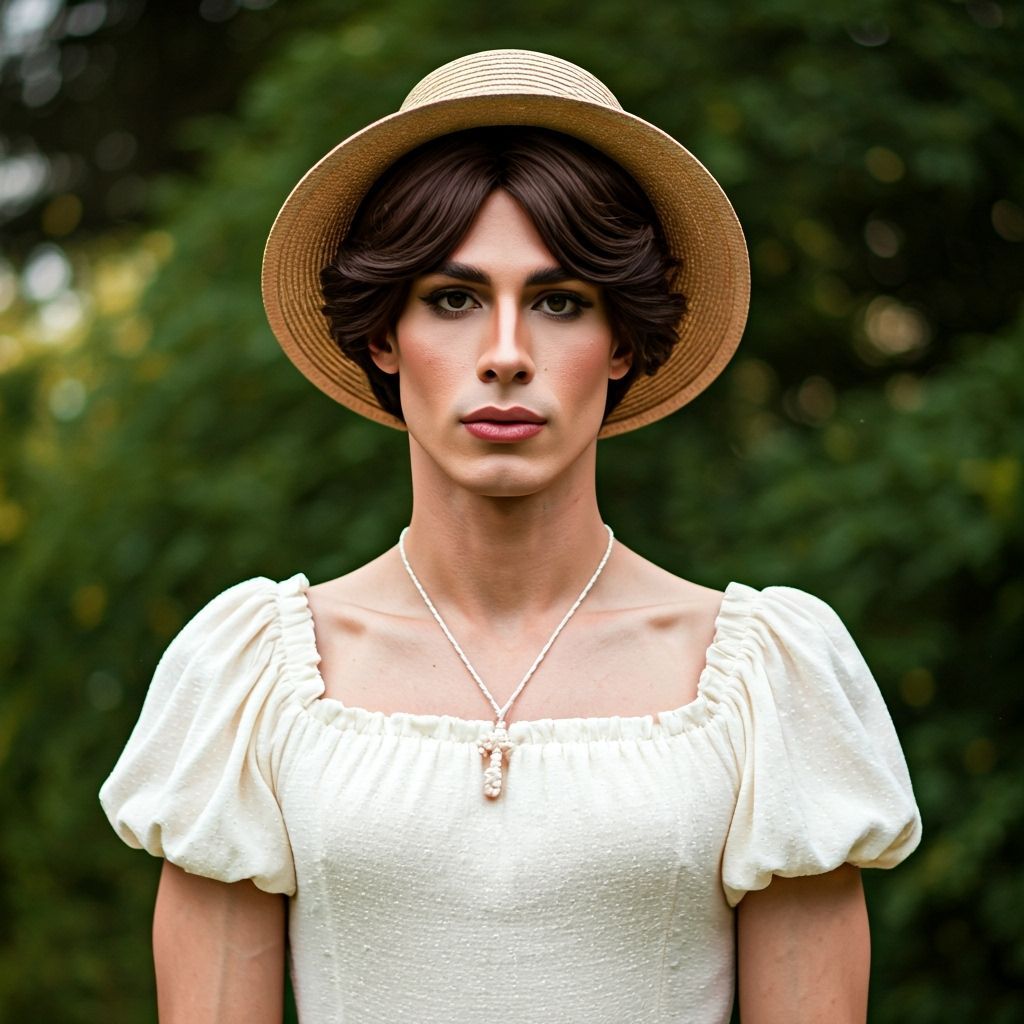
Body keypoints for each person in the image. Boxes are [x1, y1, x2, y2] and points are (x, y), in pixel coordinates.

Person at [99, 49, 921, 1024]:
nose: (503, 355)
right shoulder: (258, 675)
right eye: (452, 299)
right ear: (380, 336)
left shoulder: (760, 679)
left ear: (620, 343)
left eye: (559, 301)